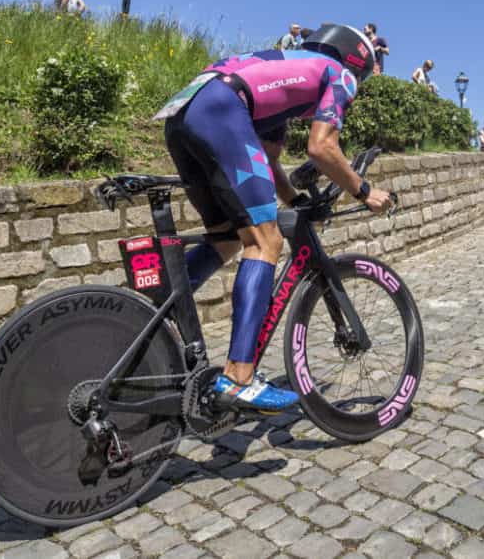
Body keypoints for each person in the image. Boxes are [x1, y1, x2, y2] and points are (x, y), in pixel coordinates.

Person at [154, 23, 391, 411]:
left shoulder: (289, 70)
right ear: (358, 61)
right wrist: (364, 191)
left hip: (188, 112)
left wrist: (295, 199)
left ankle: (149, 310)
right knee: (265, 242)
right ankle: (238, 377)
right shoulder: (339, 75)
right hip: (222, 110)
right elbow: (322, 146)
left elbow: (269, 162)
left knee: (229, 236)